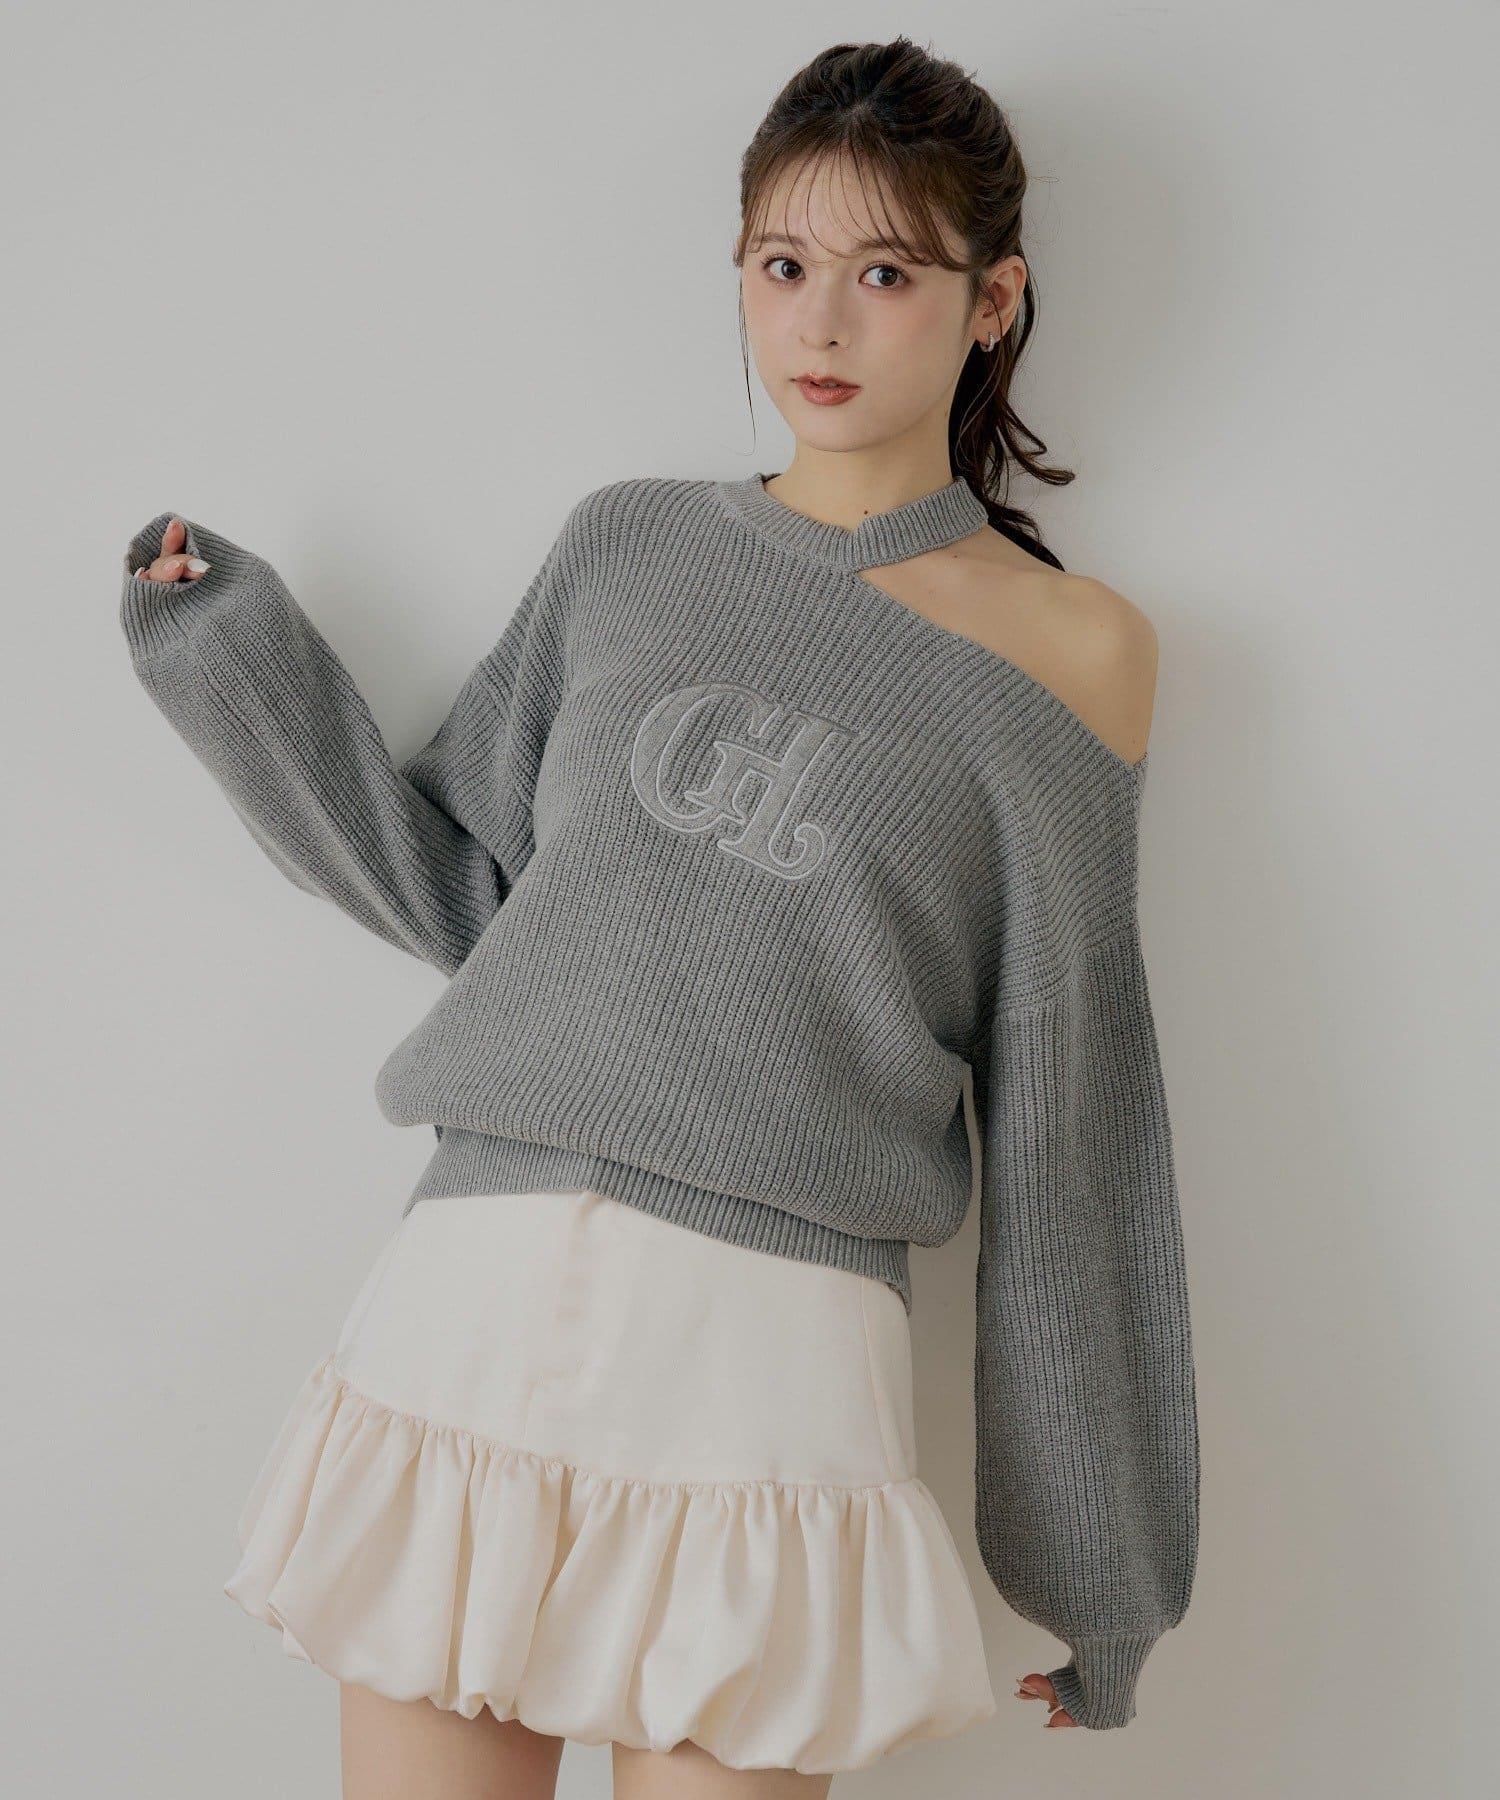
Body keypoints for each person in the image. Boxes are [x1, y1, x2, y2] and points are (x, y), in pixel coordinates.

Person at [119, 35, 1199, 1800]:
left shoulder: (1076, 659)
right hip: (479, 1303)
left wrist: (1103, 1576)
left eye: (885, 274)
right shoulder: (626, 547)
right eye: (783, 264)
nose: (820, 325)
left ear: (992, 300)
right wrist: (232, 665)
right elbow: (470, 892)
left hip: (771, 1377)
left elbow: (1072, 1121)